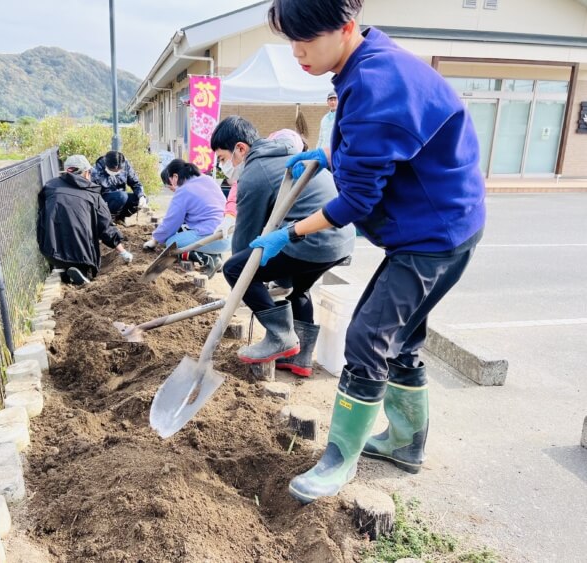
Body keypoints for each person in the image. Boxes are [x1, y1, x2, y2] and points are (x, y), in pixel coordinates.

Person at [256, 0, 487, 504]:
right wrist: (331, 152)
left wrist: (289, 234)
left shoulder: (376, 84)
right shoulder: (367, 61)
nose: (298, 51)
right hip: (442, 225)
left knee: (367, 335)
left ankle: (340, 459)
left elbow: (358, 201)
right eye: (291, 40)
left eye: (307, 39)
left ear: (344, 26)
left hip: (434, 236)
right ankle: (406, 444)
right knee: (398, 335)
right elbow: (383, 144)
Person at [210, 116, 355, 375]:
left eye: (223, 158)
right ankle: (300, 360)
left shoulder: (255, 174)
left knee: (234, 269)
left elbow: (246, 243)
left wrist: (249, 281)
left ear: (241, 149)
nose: (224, 167)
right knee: (300, 288)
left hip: (312, 240)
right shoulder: (286, 152)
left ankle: (280, 337)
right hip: (341, 239)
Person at [37, 155, 133, 285]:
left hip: (50, 250)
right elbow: (106, 228)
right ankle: (82, 274)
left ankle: (63, 268)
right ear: (86, 173)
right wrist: (123, 251)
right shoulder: (93, 194)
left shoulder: (50, 187)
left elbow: (42, 215)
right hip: (82, 255)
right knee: (84, 262)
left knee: (62, 251)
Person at [143, 159, 230, 278]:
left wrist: (155, 240)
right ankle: (217, 256)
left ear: (174, 177)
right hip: (228, 235)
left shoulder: (183, 190)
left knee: (171, 243)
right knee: (183, 232)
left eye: (170, 186)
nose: (172, 190)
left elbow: (170, 223)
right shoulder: (207, 180)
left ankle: (210, 259)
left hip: (213, 238)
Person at [91, 151, 148, 223]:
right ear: (106, 165)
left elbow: (135, 183)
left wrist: (141, 196)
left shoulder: (125, 165)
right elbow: (93, 192)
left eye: (118, 170)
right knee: (121, 196)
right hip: (104, 199)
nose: (116, 172)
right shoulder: (96, 169)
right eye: (113, 170)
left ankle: (120, 218)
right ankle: (108, 220)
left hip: (121, 198)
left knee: (142, 199)